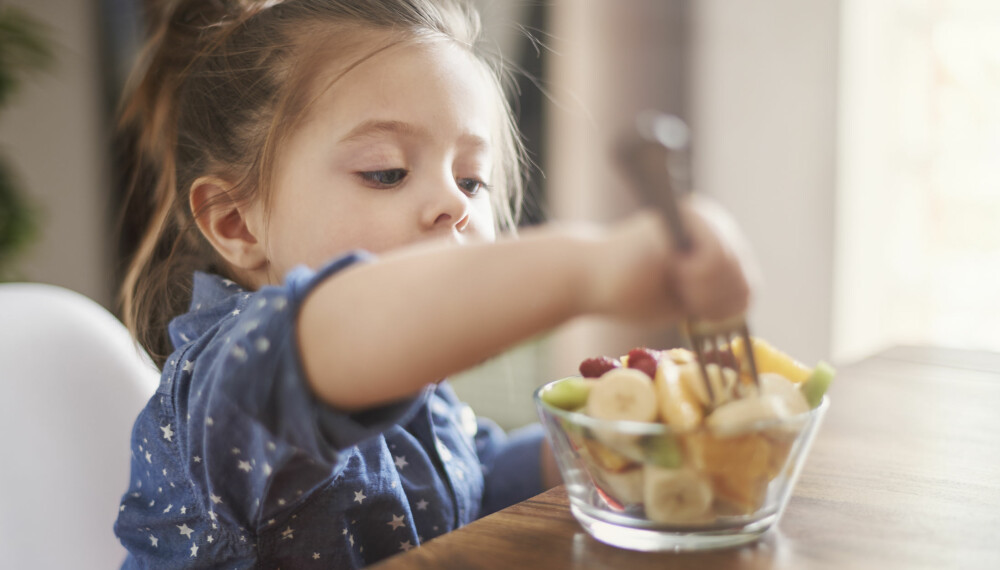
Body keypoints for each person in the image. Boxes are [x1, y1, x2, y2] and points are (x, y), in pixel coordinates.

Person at [113, 0, 756, 567]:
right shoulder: (228, 384)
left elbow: (475, 482)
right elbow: (347, 324)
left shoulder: (419, 390)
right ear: (236, 223)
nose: (456, 204)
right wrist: (592, 265)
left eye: (472, 180)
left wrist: (599, 438)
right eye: (387, 172)